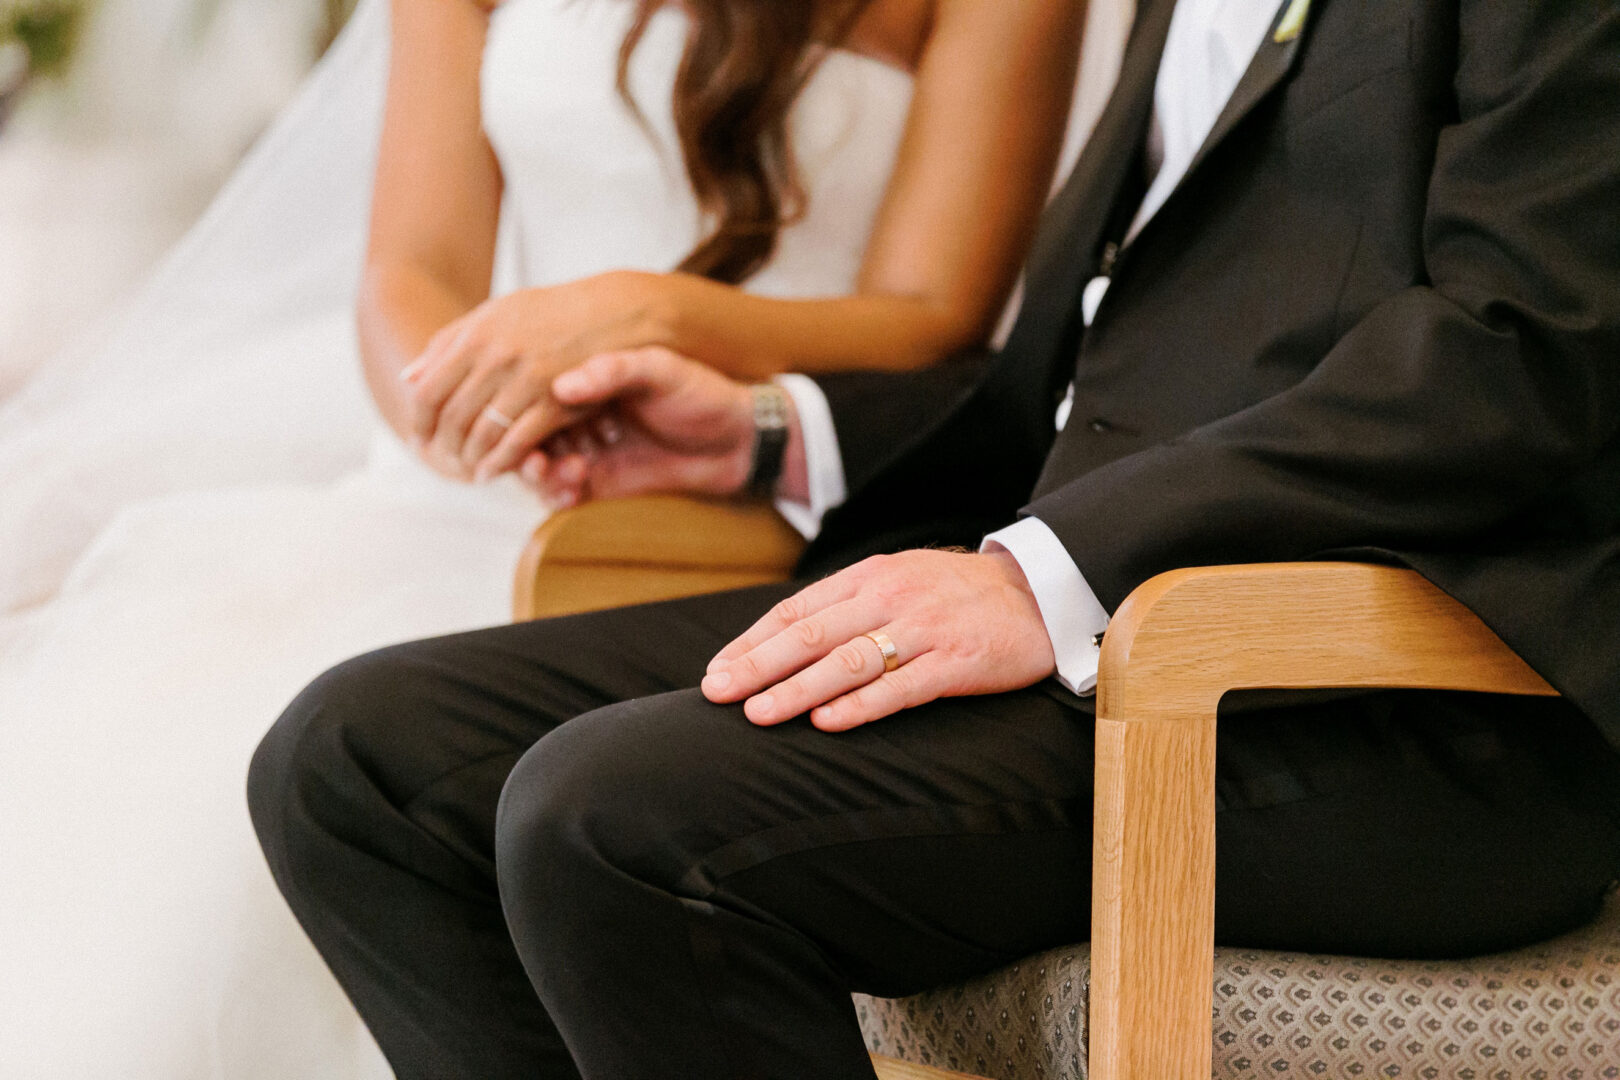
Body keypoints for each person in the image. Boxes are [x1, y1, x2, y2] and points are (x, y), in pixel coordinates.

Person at [249, 0, 1620, 1077]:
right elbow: (1079, 383)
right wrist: (766, 436)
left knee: (617, 819)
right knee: (360, 769)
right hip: (1104, 632)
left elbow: (1526, 357)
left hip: (1365, 702)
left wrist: (1047, 577)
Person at [0, 0, 1121, 1077]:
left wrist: (650, 315)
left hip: (759, 507)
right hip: (477, 480)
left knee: (487, 785)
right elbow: (413, 270)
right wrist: (469, 413)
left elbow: (934, 311)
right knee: (218, 782)